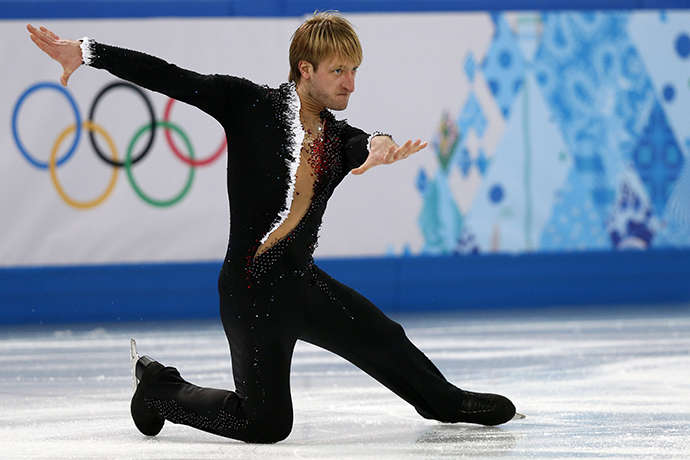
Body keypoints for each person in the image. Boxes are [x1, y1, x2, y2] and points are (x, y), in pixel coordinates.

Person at [27, 12, 519, 444]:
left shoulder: (338, 135)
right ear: (305, 69)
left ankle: (445, 402)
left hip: (303, 285)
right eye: (339, 71)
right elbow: (171, 77)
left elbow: (363, 143)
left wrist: (378, 146)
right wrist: (87, 52)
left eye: (354, 71)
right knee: (266, 424)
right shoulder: (248, 105)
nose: (350, 83)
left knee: (385, 338)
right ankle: (160, 388)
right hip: (251, 292)